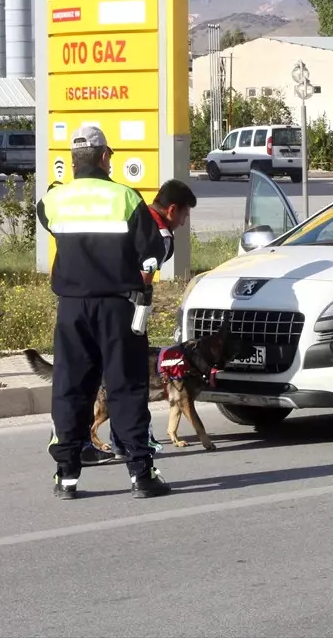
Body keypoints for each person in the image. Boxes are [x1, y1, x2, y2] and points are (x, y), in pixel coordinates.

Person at [37, 125, 172, 499]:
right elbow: (153, 249)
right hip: (118, 307)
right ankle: (141, 475)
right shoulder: (126, 198)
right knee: (126, 386)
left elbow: (45, 216)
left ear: (73, 161)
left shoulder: (56, 200)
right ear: (103, 157)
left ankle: (66, 476)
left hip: (72, 309)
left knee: (70, 387)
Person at [104, 179, 200, 460]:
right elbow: (142, 277)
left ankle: (100, 441)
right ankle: (133, 441)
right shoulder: (162, 237)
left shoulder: (133, 213)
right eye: (183, 215)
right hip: (126, 309)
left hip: (92, 300)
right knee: (131, 378)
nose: (183, 223)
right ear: (172, 209)